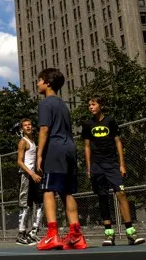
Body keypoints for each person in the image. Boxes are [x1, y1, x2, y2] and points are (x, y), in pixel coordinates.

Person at [35, 67, 87, 251]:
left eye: (40, 80)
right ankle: (76, 235)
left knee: (48, 190)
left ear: (47, 83)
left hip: (55, 149)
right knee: (67, 192)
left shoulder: (45, 104)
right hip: (70, 149)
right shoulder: (63, 105)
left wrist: (39, 154)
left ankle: (52, 235)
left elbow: (44, 129)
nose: (37, 83)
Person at [82, 96, 144, 246]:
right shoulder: (87, 124)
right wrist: (89, 167)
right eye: (89, 105)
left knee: (121, 193)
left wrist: (122, 164)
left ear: (100, 105)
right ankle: (109, 234)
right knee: (103, 197)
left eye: (93, 104)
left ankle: (130, 232)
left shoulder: (110, 121)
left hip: (111, 164)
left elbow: (118, 141)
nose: (91, 107)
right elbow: (87, 147)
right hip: (97, 166)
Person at [15, 118, 43, 245]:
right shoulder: (23, 142)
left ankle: (33, 232)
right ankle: (21, 234)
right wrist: (32, 173)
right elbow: (19, 161)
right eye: (25, 125)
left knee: (40, 203)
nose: (28, 127)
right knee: (25, 205)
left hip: (34, 176)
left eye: (29, 125)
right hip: (26, 176)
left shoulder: (33, 141)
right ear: (22, 129)